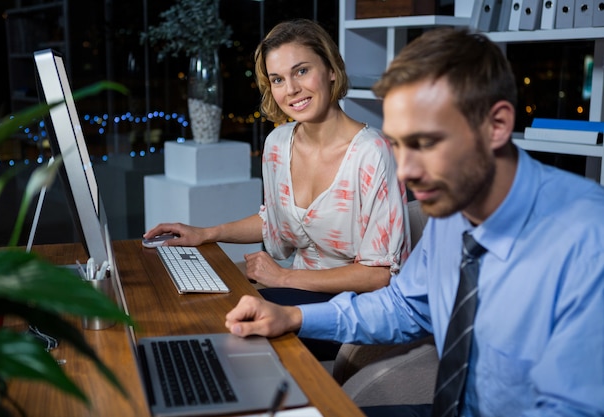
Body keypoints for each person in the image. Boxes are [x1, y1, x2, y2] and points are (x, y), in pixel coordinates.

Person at [224, 27, 604, 417]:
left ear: (497, 125)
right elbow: (405, 307)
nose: (406, 171)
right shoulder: (454, 210)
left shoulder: (587, 242)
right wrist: (294, 317)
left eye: (426, 143)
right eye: (401, 145)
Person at [144, 19, 410, 360]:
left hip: (350, 309)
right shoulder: (277, 143)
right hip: (295, 290)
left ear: (331, 70)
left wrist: (285, 277)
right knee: (198, 312)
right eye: (278, 79)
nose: (292, 89)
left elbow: (378, 276)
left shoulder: (373, 154)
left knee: (227, 331)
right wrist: (207, 233)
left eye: (301, 71)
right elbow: (273, 219)